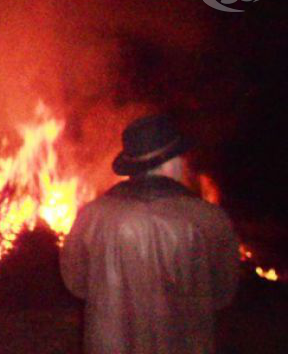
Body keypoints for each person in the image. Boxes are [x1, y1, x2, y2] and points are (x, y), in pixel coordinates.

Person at [60, 114, 239, 354]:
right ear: (170, 162)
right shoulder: (209, 218)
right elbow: (223, 293)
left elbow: (76, 284)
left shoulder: (92, 216)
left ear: (133, 166)